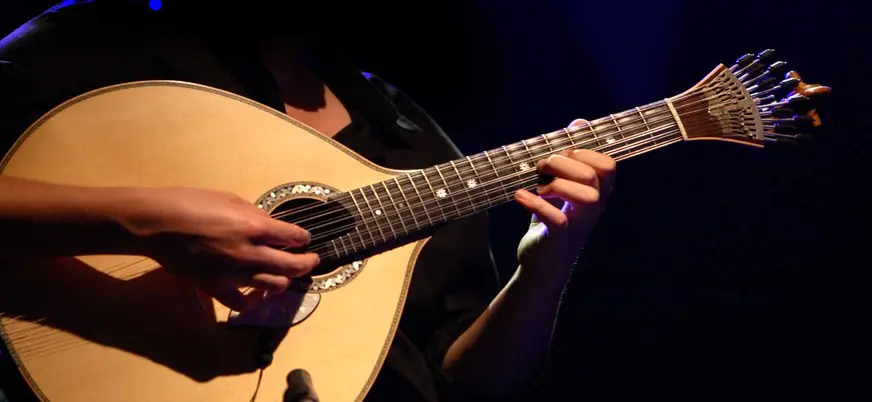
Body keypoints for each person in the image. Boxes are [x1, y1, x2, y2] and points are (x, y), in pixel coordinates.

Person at [0, 1, 616, 401]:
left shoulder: (414, 139)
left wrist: (545, 265)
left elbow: (471, 381)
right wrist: (144, 224)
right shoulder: (96, 48)